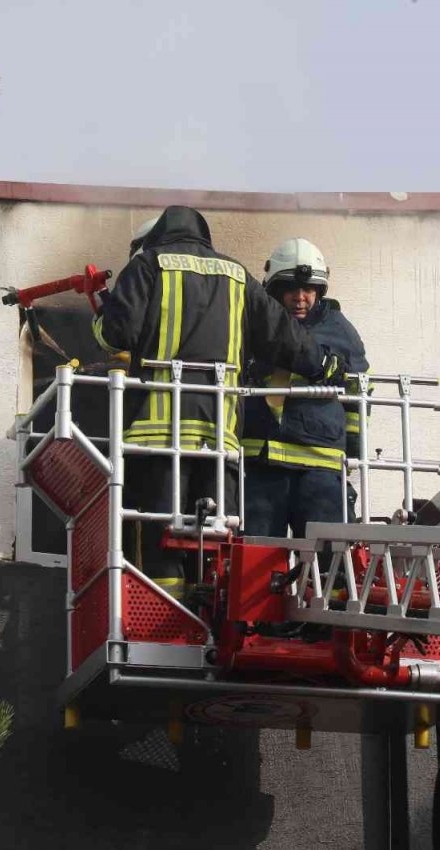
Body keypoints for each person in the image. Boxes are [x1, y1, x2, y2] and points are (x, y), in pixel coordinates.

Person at [93, 207, 344, 598]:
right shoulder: (236, 274)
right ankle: (205, 616)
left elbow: (115, 333)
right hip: (220, 441)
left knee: (158, 536)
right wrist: (323, 365)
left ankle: (164, 619)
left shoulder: (149, 265)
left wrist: (101, 320)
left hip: (159, 438)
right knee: (211, 544)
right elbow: (283, 336)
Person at [242, 238, 369, 538]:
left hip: (320, 464)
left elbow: (358, 393)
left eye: (309, 289)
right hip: (262, 460)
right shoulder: (252, 324)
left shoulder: (340, 330)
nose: (300, 298)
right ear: (274, 289)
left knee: (328, 559)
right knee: (256, 560)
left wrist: (352, 450)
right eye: (291, 289)